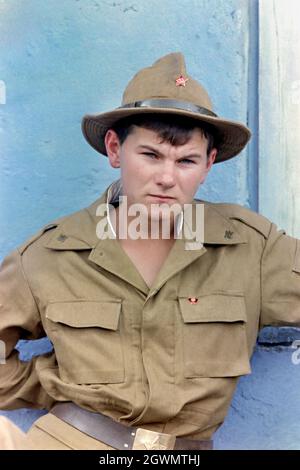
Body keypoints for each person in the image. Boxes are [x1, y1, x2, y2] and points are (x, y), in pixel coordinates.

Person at [0, 52, 299, 450]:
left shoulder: (250, 249)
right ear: (114, 149)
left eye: (187, 160)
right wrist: (52, 381)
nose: (166, 178)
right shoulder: (52, 253)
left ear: (209, 163)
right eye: (151, 155)